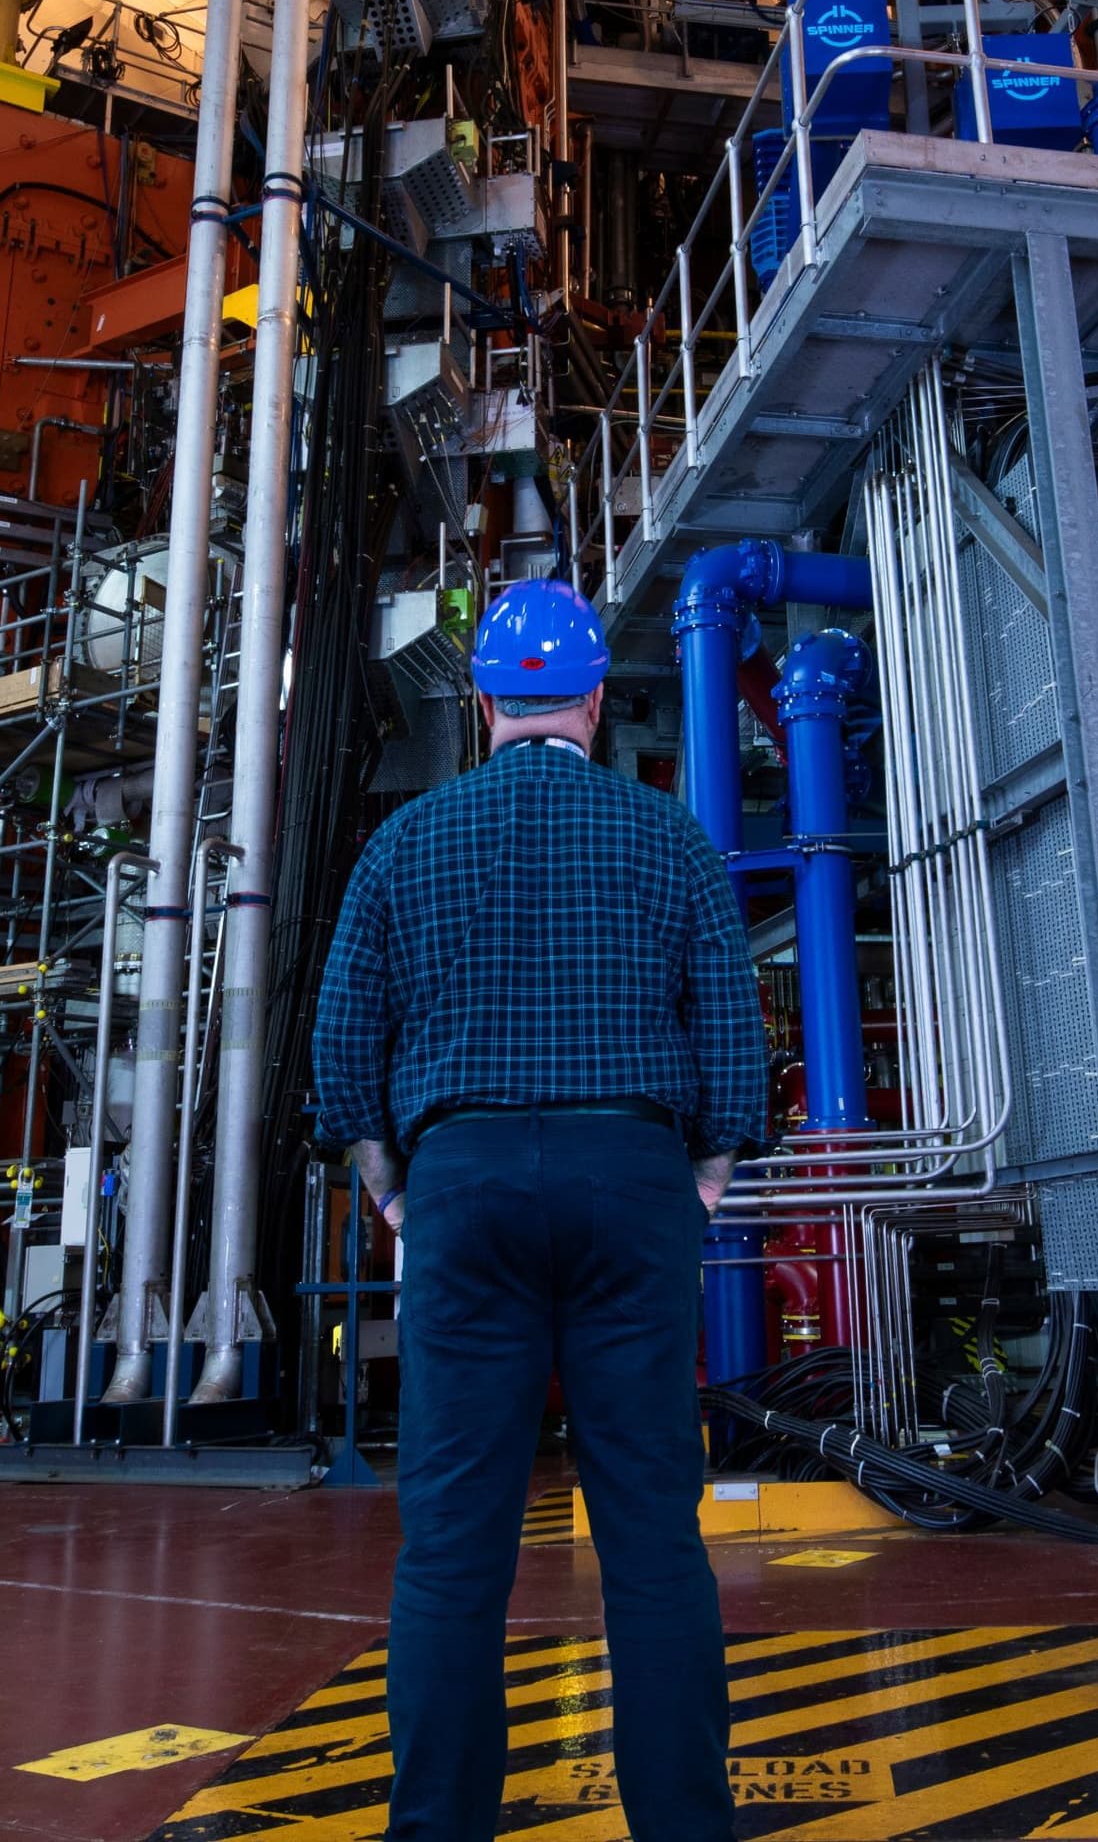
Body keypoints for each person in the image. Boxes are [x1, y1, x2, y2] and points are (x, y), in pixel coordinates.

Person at [311, 576, 767, 1842]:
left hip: (464, 1189)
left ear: (480, 700)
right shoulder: (671, 838)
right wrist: (695, 1187)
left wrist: (397, 1186)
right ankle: (684, 1824)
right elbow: (733, 1052)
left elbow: (344, 1055)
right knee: (651, 1540)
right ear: (597, 700)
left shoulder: (404, 844)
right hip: (633, 1186)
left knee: (454, 1547)